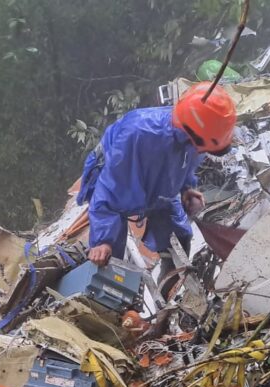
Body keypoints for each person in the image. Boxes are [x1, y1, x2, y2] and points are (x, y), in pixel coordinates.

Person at [76, 82, 237, 274]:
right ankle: (114, 287)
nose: (203, 153)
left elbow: (185, 163)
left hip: (158, 185)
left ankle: (170, 284)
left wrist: (186, 188)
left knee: (179, 234)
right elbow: (109, 190)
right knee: (110, 260)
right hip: (117, 182)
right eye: (204, 148)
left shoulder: (195, 137)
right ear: (193, 135)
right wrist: (103, 240)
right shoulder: (137, 136)